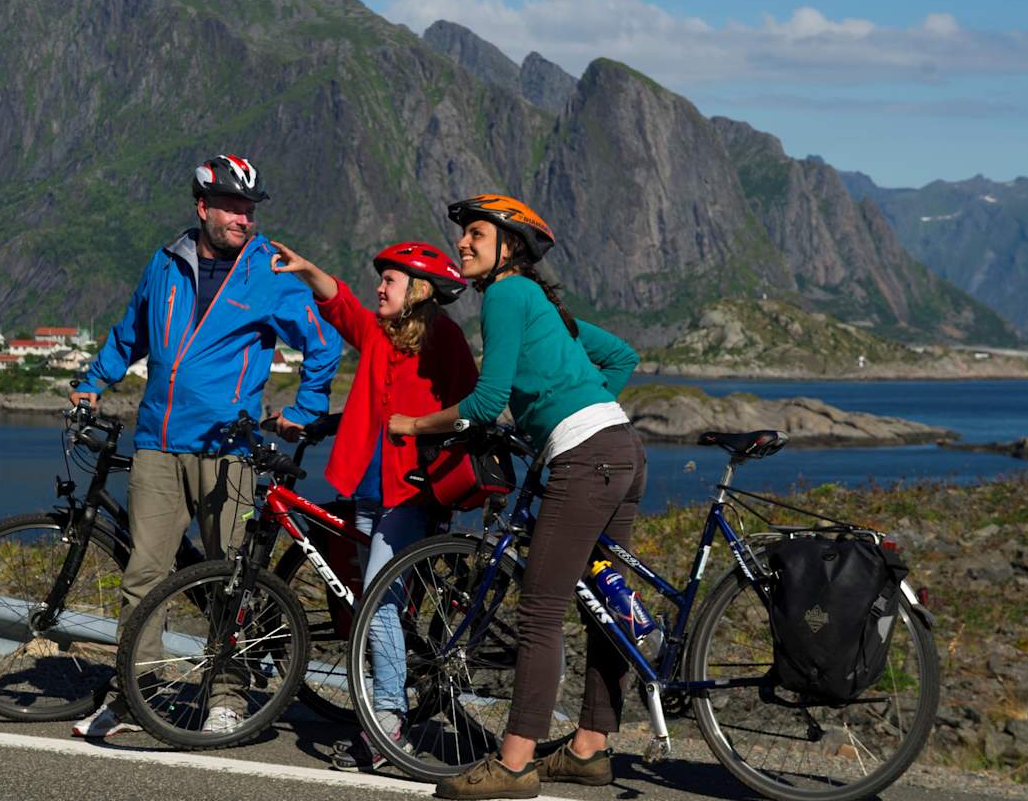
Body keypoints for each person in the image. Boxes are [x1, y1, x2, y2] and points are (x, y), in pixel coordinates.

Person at [69, 154, 341, 739]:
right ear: (203, 208)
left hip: (228, 452)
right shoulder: (165, 264)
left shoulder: (267, 271)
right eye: (234, 208)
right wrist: (90, 384)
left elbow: (323, 346)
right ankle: (134, 693)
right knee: (144, 575)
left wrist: (304, 411)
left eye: (250, 209)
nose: (244, 218)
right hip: (158, 444)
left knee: (229, 578)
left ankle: (229, 694)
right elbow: (129, 335)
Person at [387, 194, 643, 800]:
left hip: (586, 457)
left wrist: (413, 425)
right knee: (603, 606)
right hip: (622, 449)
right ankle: (588, 749)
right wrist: (569, 407)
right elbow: (622, 358)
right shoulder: (539, 302)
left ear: (511, 247)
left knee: (539, 612)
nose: (464, 244)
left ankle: (514, 764)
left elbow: (483, 401)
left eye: (477, 234)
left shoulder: (505, 295)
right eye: (463, 235)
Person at [269, 239, 478, 772]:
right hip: (366, 484)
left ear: (419, 290)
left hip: (412, 490)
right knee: (377, 598)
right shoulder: (379, 333)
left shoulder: (446, 338)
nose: (379, 287)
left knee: (380, 599)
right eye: (380, 278)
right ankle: (387, 706)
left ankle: (387, 722)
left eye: (390, 280)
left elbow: (471, 404)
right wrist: (308, 268)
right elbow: (339, 304)